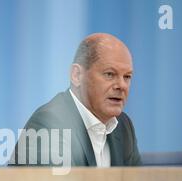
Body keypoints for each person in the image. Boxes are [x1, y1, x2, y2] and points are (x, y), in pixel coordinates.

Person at [10, 33, 142, 167]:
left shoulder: (123, 126)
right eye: (110, 74)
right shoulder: (49, 123)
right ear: (77, 75)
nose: (121, 86)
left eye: (127, 77)